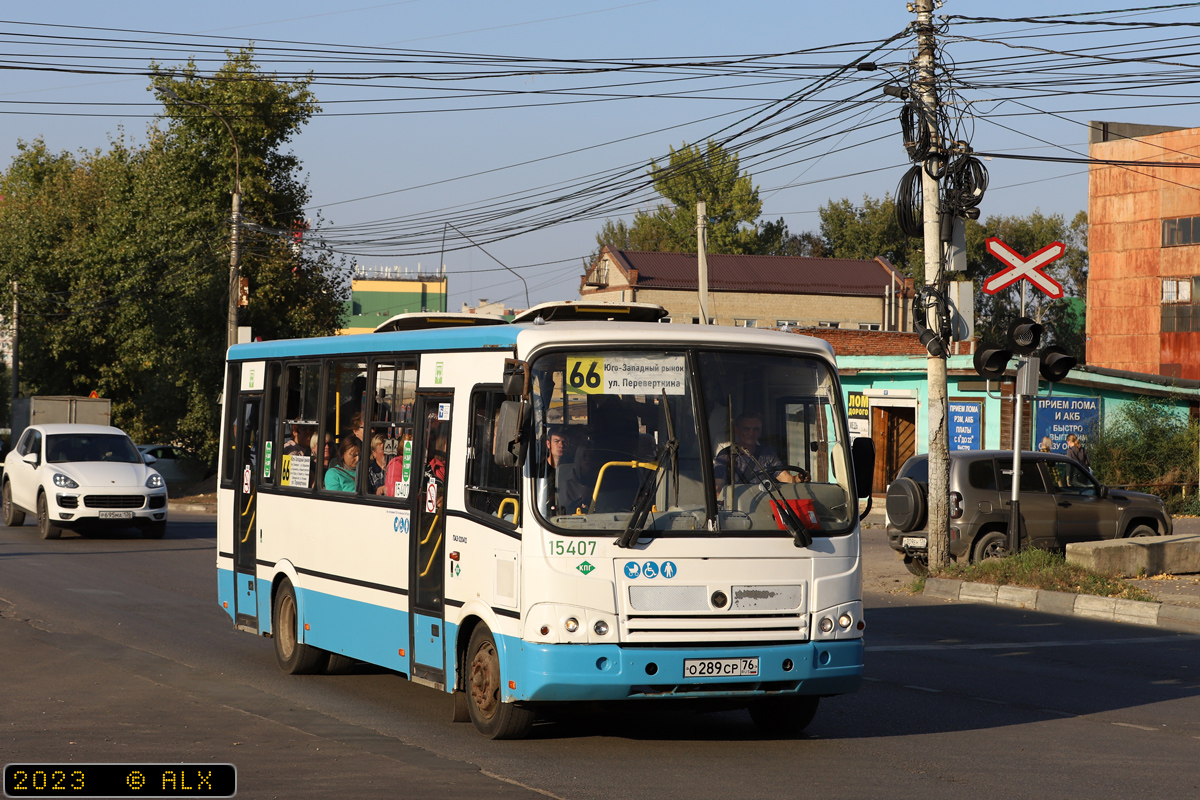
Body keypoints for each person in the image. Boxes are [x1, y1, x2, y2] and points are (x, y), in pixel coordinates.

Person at [714, 412, 808, 492]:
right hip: (737, 508)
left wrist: (799, 478)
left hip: (762, 506)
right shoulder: (726, 455)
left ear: (760, 432)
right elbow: (718, 488)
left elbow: (788, 479)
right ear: (737, 431)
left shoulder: (767, 455)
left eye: (756, 429)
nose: (751, 433)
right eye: (746, 429)